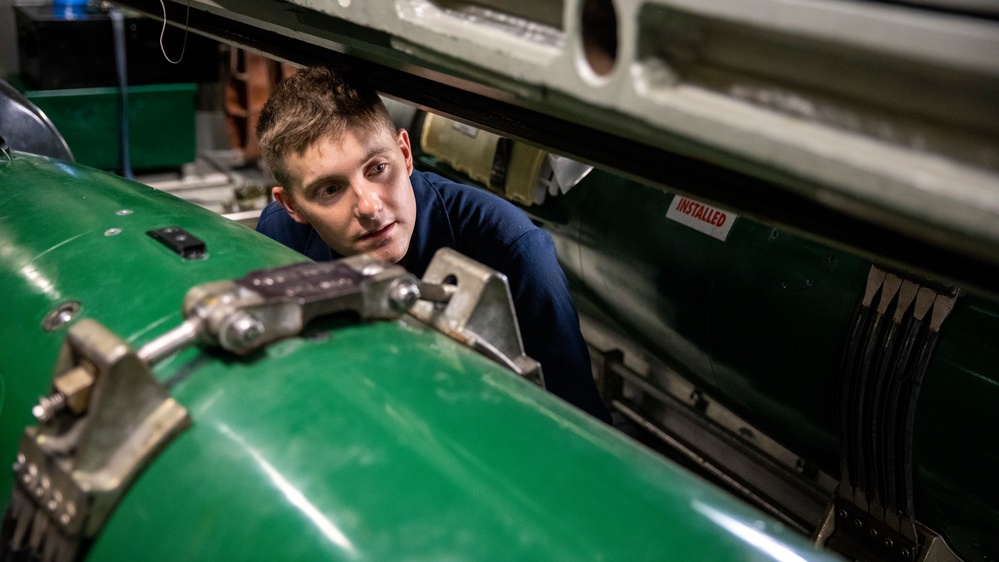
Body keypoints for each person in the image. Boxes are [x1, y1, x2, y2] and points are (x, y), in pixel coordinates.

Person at [254, 66, 611, 424]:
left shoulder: (511, 248)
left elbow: (580, 424)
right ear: (293, 206)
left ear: (405, 153)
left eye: (377, 168)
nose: (370, 207)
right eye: (330, 190)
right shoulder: (281, 237)